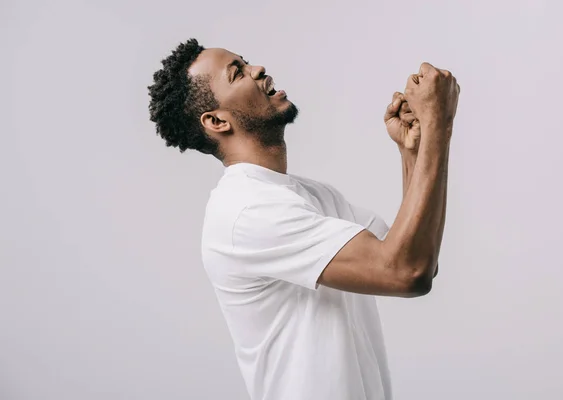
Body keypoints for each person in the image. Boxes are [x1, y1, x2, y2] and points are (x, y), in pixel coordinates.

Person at [148, 38, 460, 400]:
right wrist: (439, 123)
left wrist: (414, 149)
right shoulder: (246, 211)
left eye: (246, 61)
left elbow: (415, 255)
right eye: (237, 73)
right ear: (217, 121)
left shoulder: (309, 196)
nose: (257, 69)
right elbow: (407, 272)